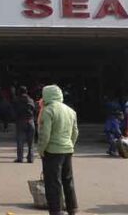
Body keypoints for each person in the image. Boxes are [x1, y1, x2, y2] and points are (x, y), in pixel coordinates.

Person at [38, 84, 79, 215]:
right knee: (68, 180)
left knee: (53, 182)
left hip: (52, 151)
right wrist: (70, 144)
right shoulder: (70, 111)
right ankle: (72, 208)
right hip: (67, 149)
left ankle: (56, 210)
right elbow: (75, 132)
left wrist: (41, 149)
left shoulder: (48, 110)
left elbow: (45, 134)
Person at [13, 86, 37, 163]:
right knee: (31, 141)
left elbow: (14, 111)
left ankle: (20, 158)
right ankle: (30, 158)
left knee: (20, 140)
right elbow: (34, 110)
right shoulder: (31, 100)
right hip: (30, 121)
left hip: (21, 121)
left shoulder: (17, 100)